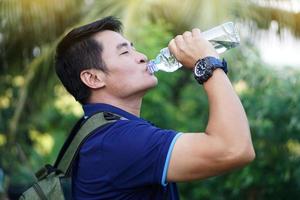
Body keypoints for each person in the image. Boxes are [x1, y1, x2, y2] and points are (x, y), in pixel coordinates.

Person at [54, 16, 255, 200]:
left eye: (133, 48)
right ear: (93, 78)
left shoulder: (105, 135)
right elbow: (234, 149)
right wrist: (208, 63)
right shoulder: (116, 141)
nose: (141, 56)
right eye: (124, 52)